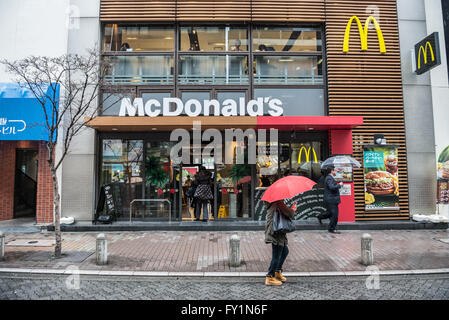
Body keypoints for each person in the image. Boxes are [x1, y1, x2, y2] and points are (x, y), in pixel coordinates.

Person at [264, 200, 297, 286]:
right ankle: (270, 277)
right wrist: (293, 209)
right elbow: (289, 213)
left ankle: (277, 272)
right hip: (276, 232)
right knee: (276, 255)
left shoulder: (274, 202)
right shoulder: (278, 202)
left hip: (277, 231)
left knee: (285, 251)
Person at [317, 166, 343, 234]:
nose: (335, 172)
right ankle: (331, 228)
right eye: (334, 170)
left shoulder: (329, 178)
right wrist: (339, 185)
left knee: (330, 213)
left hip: (331, 199)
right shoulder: (329, 178)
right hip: (332, 199)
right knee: (334, 215)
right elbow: (332, 187)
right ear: (331, 171)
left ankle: (320, 216)